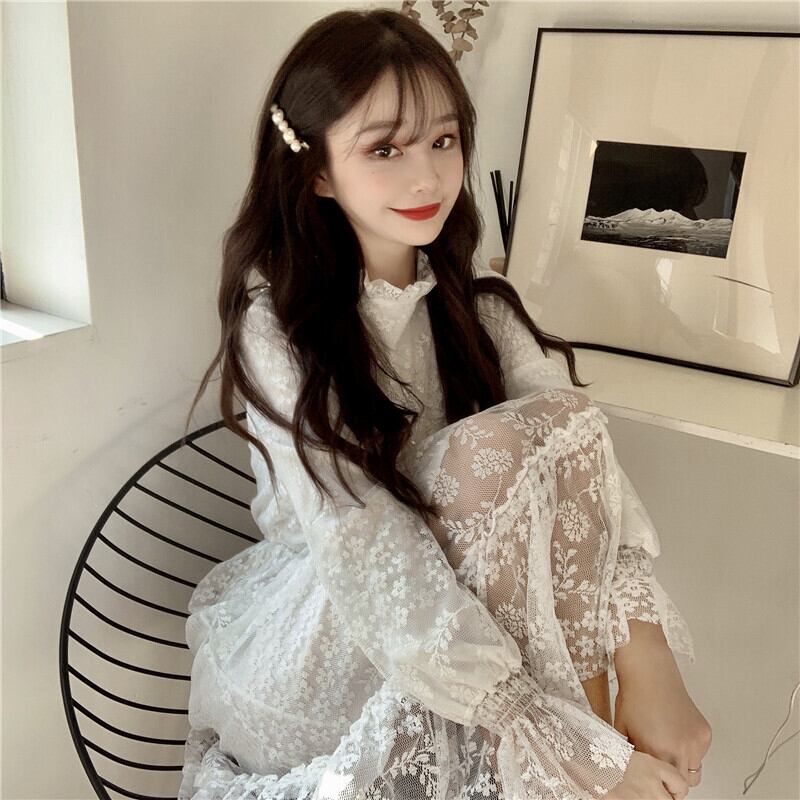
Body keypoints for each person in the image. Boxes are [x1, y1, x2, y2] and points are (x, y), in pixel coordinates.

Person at [180, 8, 711, 799]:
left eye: (443, 140)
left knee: (561, 424)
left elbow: (579, 461)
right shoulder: (279, 326)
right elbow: (363, 542)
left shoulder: (476, 301)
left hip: (467, 629)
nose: (427, 177)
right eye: (384, 149)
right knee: (492, 451)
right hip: (334, 639)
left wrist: (649, 657)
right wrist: (553, 737)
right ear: (316, 170)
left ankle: (605, 730)